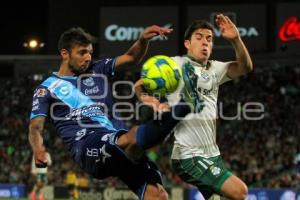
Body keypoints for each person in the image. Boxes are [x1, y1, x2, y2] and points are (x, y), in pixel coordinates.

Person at [28, 26, 191, 200]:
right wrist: (38, 149)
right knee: (133, 136)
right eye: (82, 53)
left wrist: (143, 40)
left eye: (90, 52)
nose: (88, 57)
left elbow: (131, 57)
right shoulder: (47, 88)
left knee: (158, 195)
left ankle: (175, 114)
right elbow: (35, 126)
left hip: (118, 141)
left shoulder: (97, 69)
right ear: (65, 53)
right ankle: (181, 109)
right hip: (87, 145)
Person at [135, 14, 253, 200]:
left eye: (209, 39)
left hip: (212, 154)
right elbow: (139, 85)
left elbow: (245, 67)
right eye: (199, 38)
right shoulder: (174, 64)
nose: (205, 42)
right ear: (187, 44)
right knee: (240, 191)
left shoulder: (216, 69)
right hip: (188, 155)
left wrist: (236, 39)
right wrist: (153, 102)